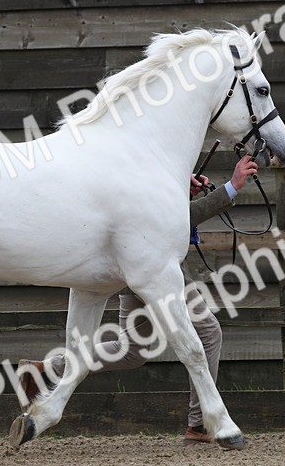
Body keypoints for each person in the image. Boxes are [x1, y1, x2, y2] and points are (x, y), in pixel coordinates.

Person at [18, 154, 260, 443]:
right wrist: (231, 187)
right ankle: (200, 424)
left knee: (131, 350)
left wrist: (184, 189)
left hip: (134, 270)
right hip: (152, 271)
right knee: (208, 332)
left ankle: (48, 369)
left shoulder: (143, 162)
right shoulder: (147, 163)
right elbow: (182, 217)